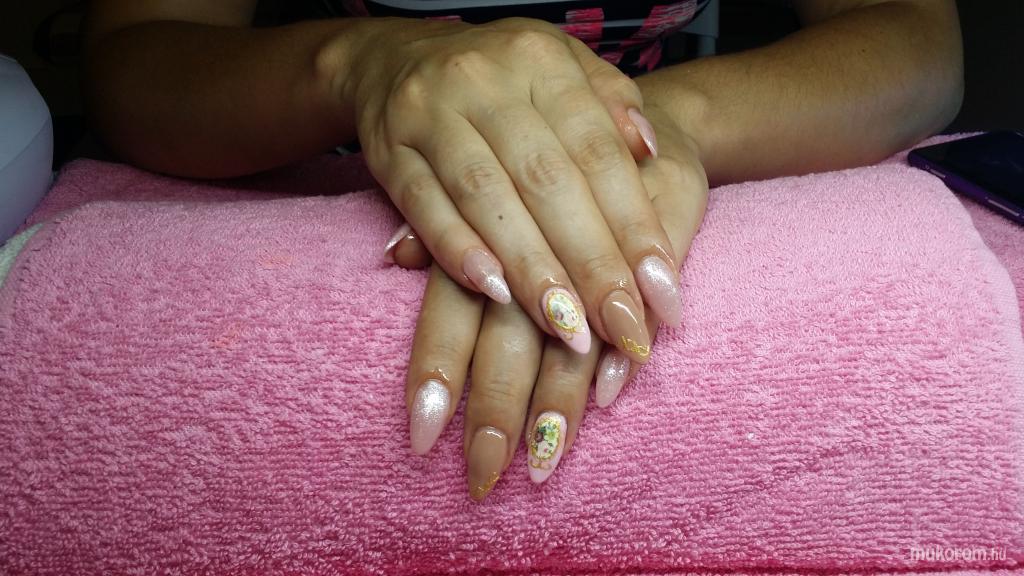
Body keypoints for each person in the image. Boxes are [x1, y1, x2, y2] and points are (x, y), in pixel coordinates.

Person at [83, 0, 963, 501]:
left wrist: (645, 128)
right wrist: (358, 64)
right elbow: (135, 59)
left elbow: (916, 43)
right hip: (352, 153)